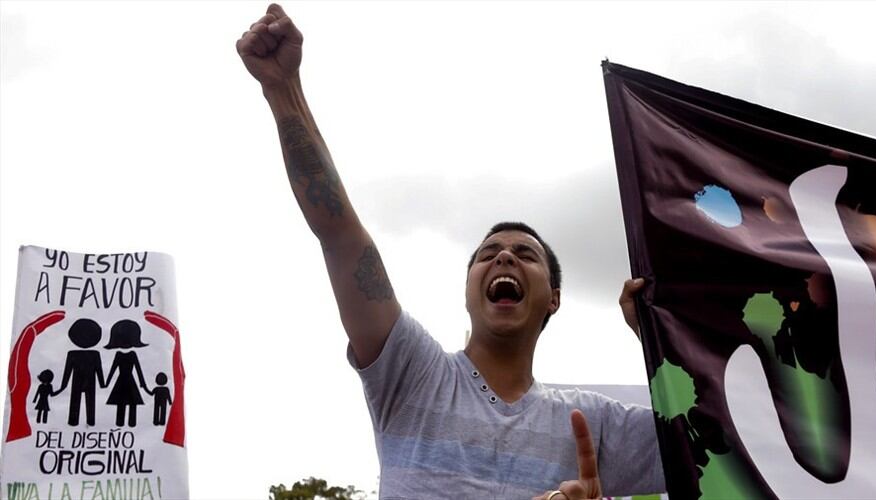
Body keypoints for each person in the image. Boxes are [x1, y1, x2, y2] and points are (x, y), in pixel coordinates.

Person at [237, 4, 664, 498]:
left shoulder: (591, 424)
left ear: (554, 298)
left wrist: (656, 338)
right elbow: (341, 236)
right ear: (467, 290)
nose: (504, 257)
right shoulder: (412, 372)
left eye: (526, 255)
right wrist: (283, 89)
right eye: (488, 253)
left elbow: (725, 439)